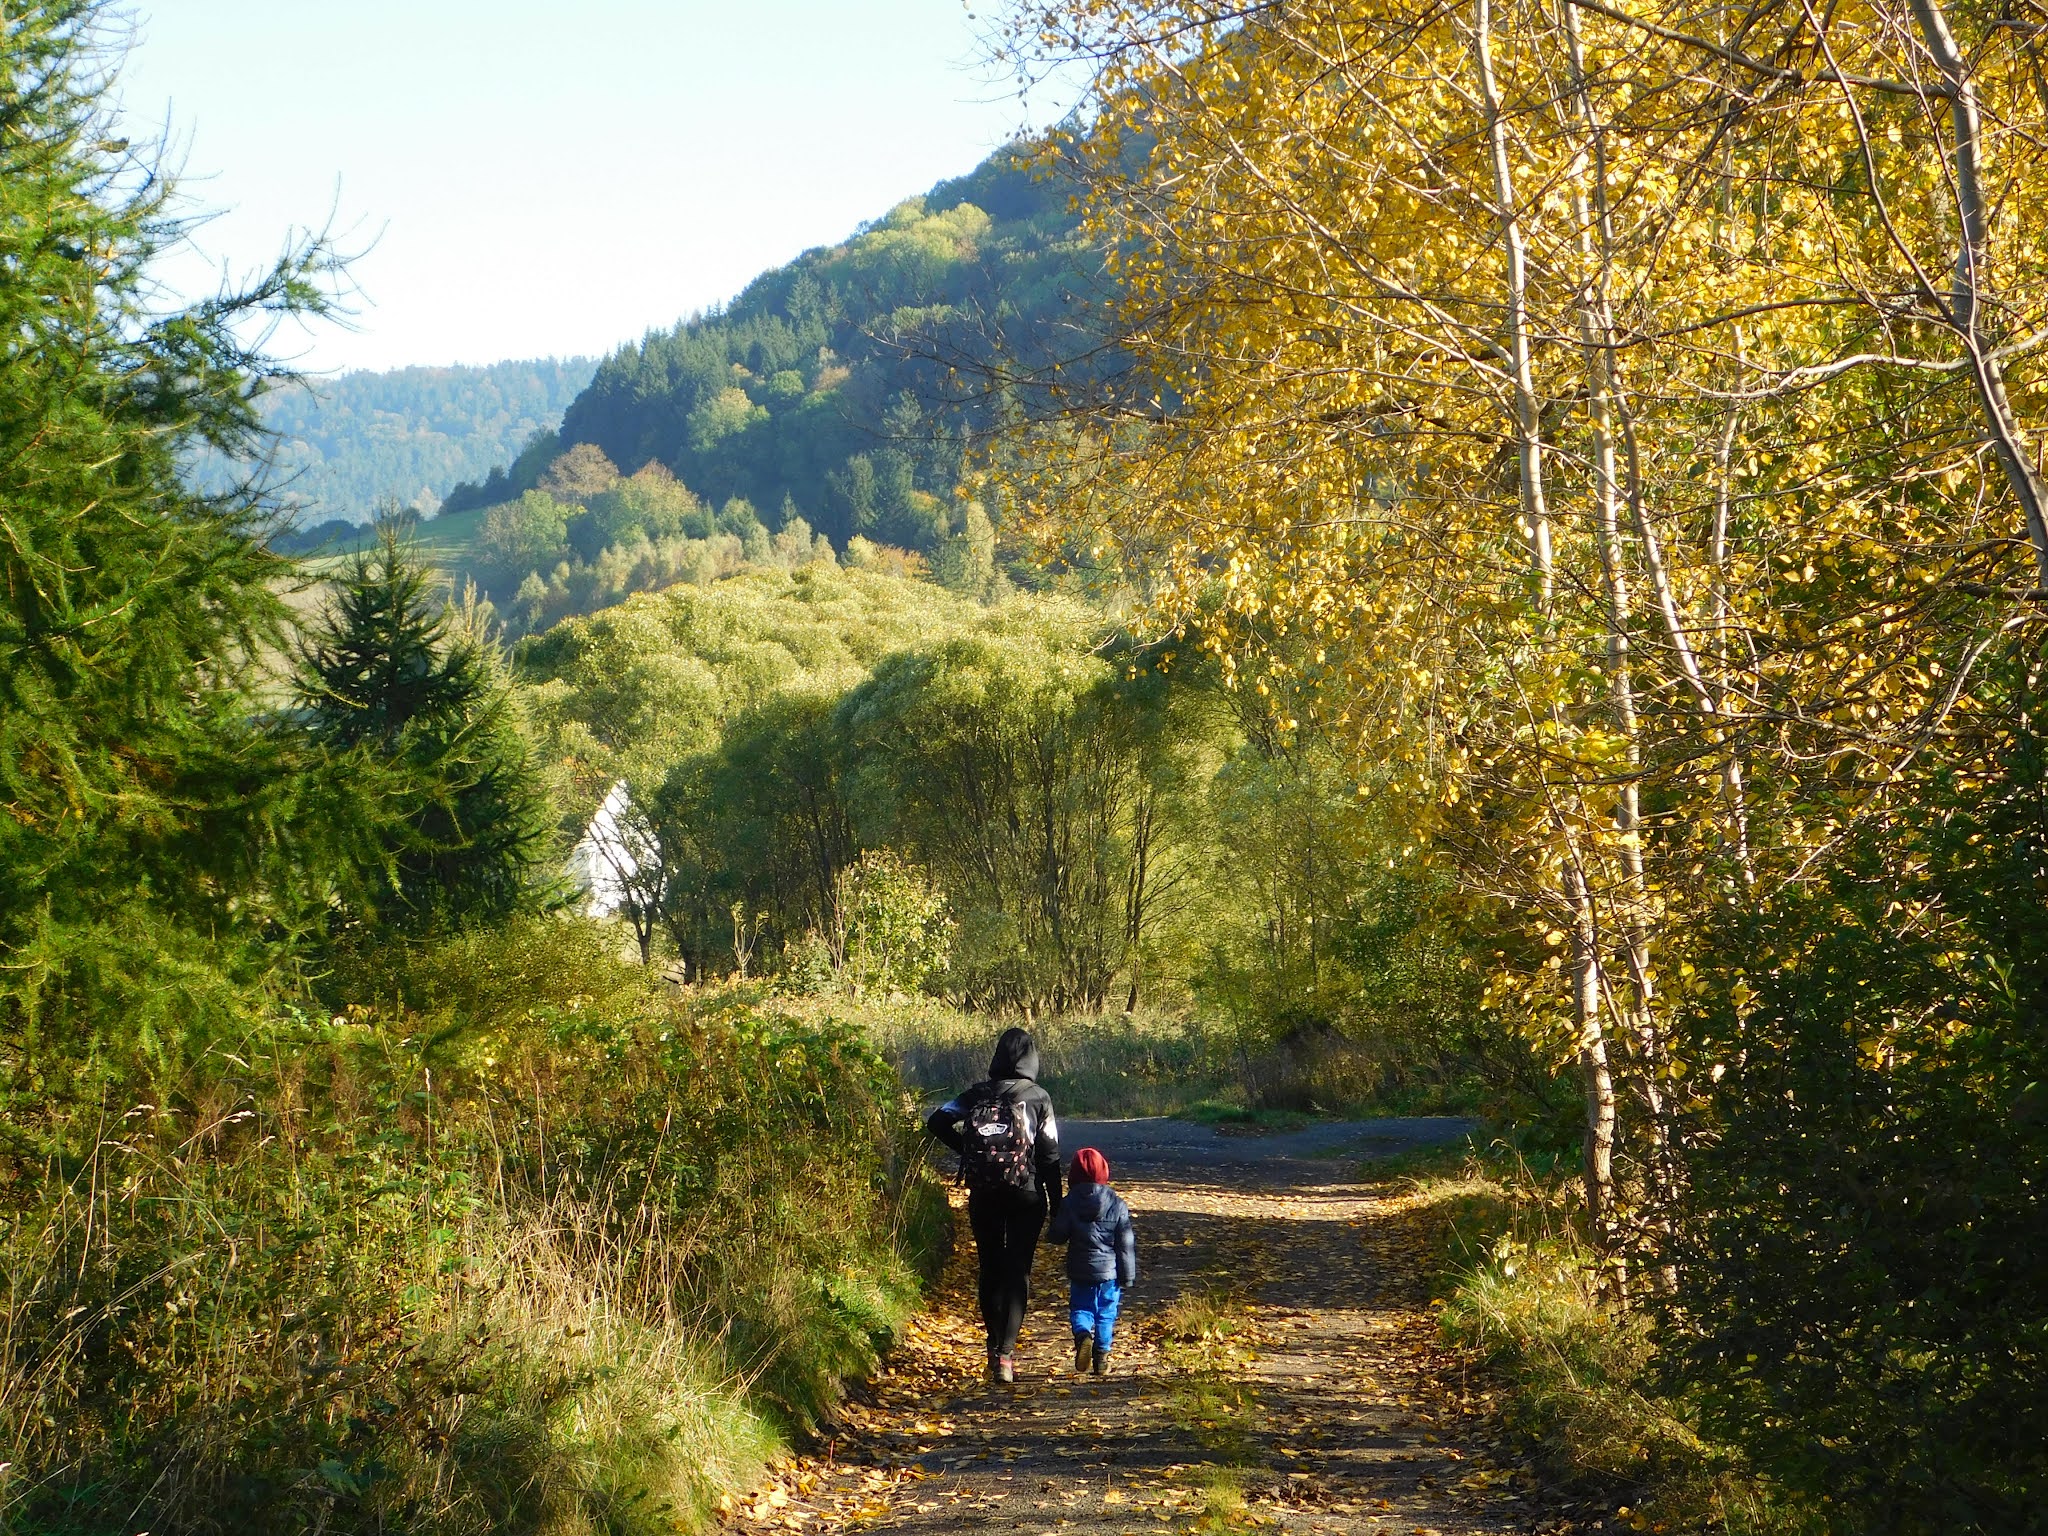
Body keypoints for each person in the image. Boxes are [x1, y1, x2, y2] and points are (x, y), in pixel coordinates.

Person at [926, 1027, 1062, 1383]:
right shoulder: (1038, 1097)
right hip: (1027, 1192)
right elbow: (1049, 1155)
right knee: (1018, 1271)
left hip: (984, 1191)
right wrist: (1057, 1201)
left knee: (989, 1267)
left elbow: (936, 1121)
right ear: (1031, 1058)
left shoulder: (975, 1094)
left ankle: (991, 1345)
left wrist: (968, 1152)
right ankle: (1006, 1355)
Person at [1048, 1146, 1138, 1375]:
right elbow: (1125, 1245)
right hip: (1110, 1272)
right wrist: (1127, 1276)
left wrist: (1053, 1225)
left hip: (1080, 1270)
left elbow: (1057, 1236)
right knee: (1106, 1312)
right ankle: (1101, 1359)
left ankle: (1082, 1335)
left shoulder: (1069, 1203)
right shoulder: (1117, 1204)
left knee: (1081, 1308)